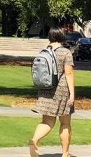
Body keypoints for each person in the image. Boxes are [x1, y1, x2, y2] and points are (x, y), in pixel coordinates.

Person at [29, 27, 75, 157]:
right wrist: (72, 94)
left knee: (47, 122)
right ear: (62, 37)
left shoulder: (44, 51)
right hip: (61, 91)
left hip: (45, 90)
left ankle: (35, 140)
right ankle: (65, 154)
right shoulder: (65, 52)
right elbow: (69, 73)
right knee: (65, 123)